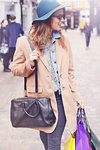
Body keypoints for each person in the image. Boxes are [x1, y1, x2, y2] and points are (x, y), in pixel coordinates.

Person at [12, 0, 84, 149]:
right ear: (47, 18)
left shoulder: (64, 41)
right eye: (58, 16)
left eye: (62, 16)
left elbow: (70, 72)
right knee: (45, 138)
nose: (62, 19)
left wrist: (76, 95)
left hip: (61, 99)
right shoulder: (25, 42)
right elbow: (15, 69)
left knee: (54, 140)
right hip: (41, 101)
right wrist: (29, 63)